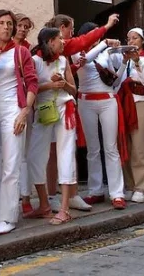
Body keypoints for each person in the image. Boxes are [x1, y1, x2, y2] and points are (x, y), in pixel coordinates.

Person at [41, 13, 120, 212]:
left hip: (99, 101)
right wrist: (106, 28)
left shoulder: (72, 53)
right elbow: (83, 46)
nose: (72, 33)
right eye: (70, 28)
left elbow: (80, 67)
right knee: (79, 151)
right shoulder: (67, 49)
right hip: (67, 104)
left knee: (107, 148)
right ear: (61, 30)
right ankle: (79, 192)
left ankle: (114, 193)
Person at [0, 10, 38, 235]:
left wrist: (24, 112)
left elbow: (32, 83)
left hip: (13, 109)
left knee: (11, 164)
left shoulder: (21, 52)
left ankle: (8, 217)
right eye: (2, 23)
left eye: (9, 23)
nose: (7, 27)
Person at [24, 27, 78, 224]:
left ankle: (64, 209)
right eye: (59, 39)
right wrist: (49, 86)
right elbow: (29, 86)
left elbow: (74, 90)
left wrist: (63, 84)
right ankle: (44, 205)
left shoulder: (64, 61)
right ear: (49, 42)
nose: (63, 42)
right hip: (44, 110)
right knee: (34, 156)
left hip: (65, 109)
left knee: (65, 153)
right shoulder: (35, 60)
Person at [73, 23, 127, 209]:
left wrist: (125, 62)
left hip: (107, 100)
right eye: (93, 34)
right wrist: (104, 43)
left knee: (110, 147)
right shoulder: (77, 50)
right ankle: (95, 190)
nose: (96, 37)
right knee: (92, 149)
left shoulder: (106, 52)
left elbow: (116, 80)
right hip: (86, 101)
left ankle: (117, 193)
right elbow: (85, 60)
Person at [122, 27, 144, 203]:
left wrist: (137, 62)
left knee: (140, 145)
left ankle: (140, 186)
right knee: (126, 145)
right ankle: (129, 184)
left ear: (142, 41)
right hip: (124, 103)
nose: (131, 41)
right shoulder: (124, 60)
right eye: (129, 39)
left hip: (139, 102)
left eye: (135, 38)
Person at [15, 13, 37, 214]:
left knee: (24, 152)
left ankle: (25, 196)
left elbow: (32, 79)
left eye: (26, 27)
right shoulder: (2, 47)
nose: (22, 29)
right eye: (20, 25)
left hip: (25, 102)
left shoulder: (28, 50)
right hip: (4, 101)